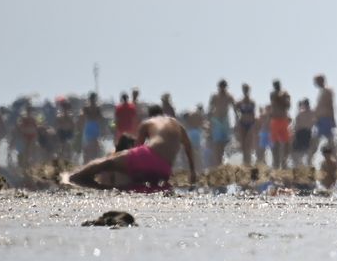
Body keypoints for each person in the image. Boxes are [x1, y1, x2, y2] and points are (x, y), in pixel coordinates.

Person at [61, 112, 197, 191]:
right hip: (164, 169)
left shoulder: (148, 123)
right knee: (142, 185)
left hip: (148, 158)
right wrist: (192, 172)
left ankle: (72, 177)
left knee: (107, 162)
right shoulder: (178, 126)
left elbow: (137, 149)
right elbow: (188, 147)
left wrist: (119, 155)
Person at [207, 80, 234, 167]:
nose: (222, 88)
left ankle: (221, 162)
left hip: (225, 120)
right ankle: (217, 164)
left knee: (224, 143)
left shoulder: (229, 96)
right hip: (216, 120)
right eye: (221, 86)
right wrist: (209, 123)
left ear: (226, 87)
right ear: (219, 87)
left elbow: (234, 109)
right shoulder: (214, 96)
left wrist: (237, 122)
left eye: (224, 86)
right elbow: (210, 110)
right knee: (217, 143)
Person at [267, 80, 292, 170]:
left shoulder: (285, 93)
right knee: (275, 143)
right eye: (275, 85)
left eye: (277, 85)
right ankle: (276, 164)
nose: (276, 86)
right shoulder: (273, 94)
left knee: (286, 142)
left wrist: (285, 97)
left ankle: (284, 163)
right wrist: (283, 97)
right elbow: (276, 100)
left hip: (283, 120)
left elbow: (288, 105)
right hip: (275, 120)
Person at [312, 75, 337, 151]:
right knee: (319, 139)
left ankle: (335, 155)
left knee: (328, 139)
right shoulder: (321, 91)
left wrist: (332, 119)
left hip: (326, 118)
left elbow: (330, 105)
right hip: (320, 119)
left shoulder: (327, 91)